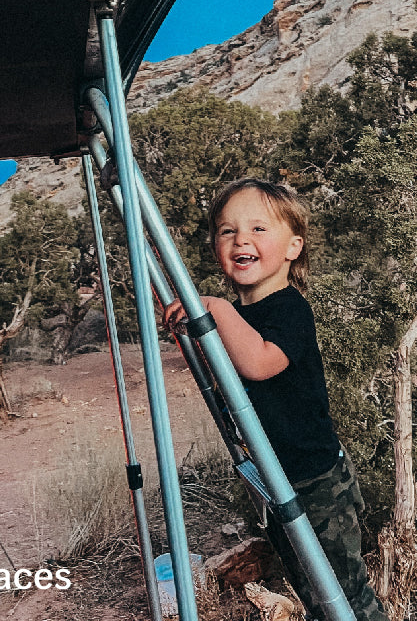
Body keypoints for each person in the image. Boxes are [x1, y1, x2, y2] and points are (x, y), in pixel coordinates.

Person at [163, 177, 388, 621]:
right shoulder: (237, 315)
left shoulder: (289, 308)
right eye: (227, 231)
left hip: (316, 481)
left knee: (344, 594)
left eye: (258, 229)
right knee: (313, 592)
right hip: (275, 477)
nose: (241, 239)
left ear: (293, 247)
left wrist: (214, 310)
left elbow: (260, 364)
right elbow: (226, 376)